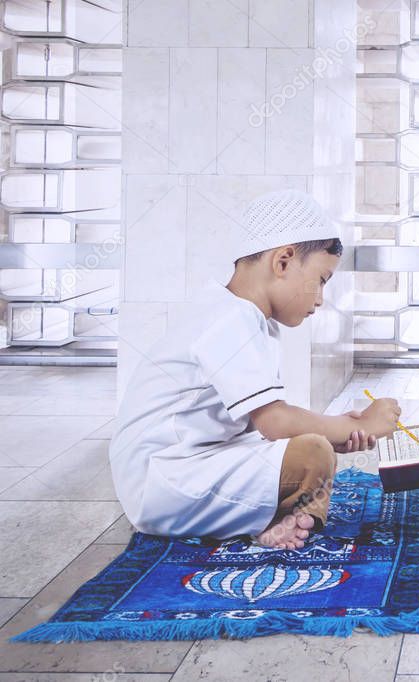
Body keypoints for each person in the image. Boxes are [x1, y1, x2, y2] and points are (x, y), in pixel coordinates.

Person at [109, 190, 401, 550]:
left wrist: (337, 431)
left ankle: (275, 520)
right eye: (321, 280)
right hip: (162, 478)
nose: (321, 298)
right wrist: (356, 425)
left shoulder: (241, 316)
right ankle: (277, 520)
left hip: (187, 464)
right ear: (283, 262)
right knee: (313, 454)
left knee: (314, 448)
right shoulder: (230, 319)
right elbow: (275, 422)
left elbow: (260, 426)